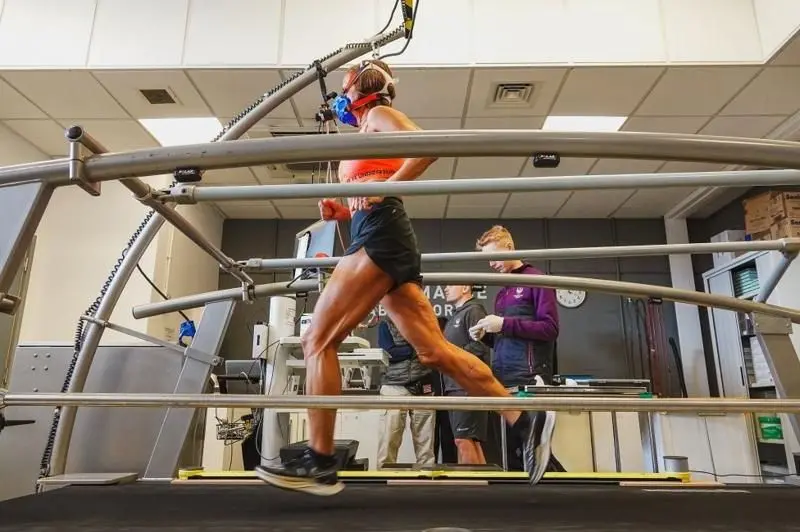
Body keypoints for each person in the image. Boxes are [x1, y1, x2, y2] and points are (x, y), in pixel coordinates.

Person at [254, 60, 549, 496]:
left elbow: (425, 147)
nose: (338, 97)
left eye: (342, 88)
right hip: (375, 234)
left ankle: (320, 460)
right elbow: (372, 183)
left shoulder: (377, 115)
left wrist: (386, 187)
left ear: (358, 91)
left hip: (381, 235)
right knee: (434, 352)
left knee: (316, 339)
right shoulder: (363, 133)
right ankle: (525, 421)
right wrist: (343, 209)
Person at [470, 225, 560, 472]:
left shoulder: (536, 280)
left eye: (493, 256)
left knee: (533, 449)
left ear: (509, 247)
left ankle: (566, 496)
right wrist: (485, 336)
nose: (491, 264)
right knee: (513, 452)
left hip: (530, 377)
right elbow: (506, 337)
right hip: (503, 378)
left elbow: (550, 329)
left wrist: (504, 324)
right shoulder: (502, 293)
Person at [375, 317, 435, 469]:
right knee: (389, 439)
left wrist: (410, 349)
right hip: (394, 387)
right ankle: (383, 480)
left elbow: (432, 348)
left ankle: (427, 483)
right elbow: (390, 353)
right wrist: (415, 348)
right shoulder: (385, 324)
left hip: (423, 385)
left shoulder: (425, 322)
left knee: (425, 443)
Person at [443, 285, 490, 465]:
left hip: (468, 386)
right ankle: (480, 488)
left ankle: (472, 491)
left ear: (464, 288)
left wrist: (450, 357)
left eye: (450, 285)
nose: (445, 289)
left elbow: (480, 346)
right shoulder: (456, 314)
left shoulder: (474, 310)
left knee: (464, 440)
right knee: (468, 441)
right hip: (455, 385)